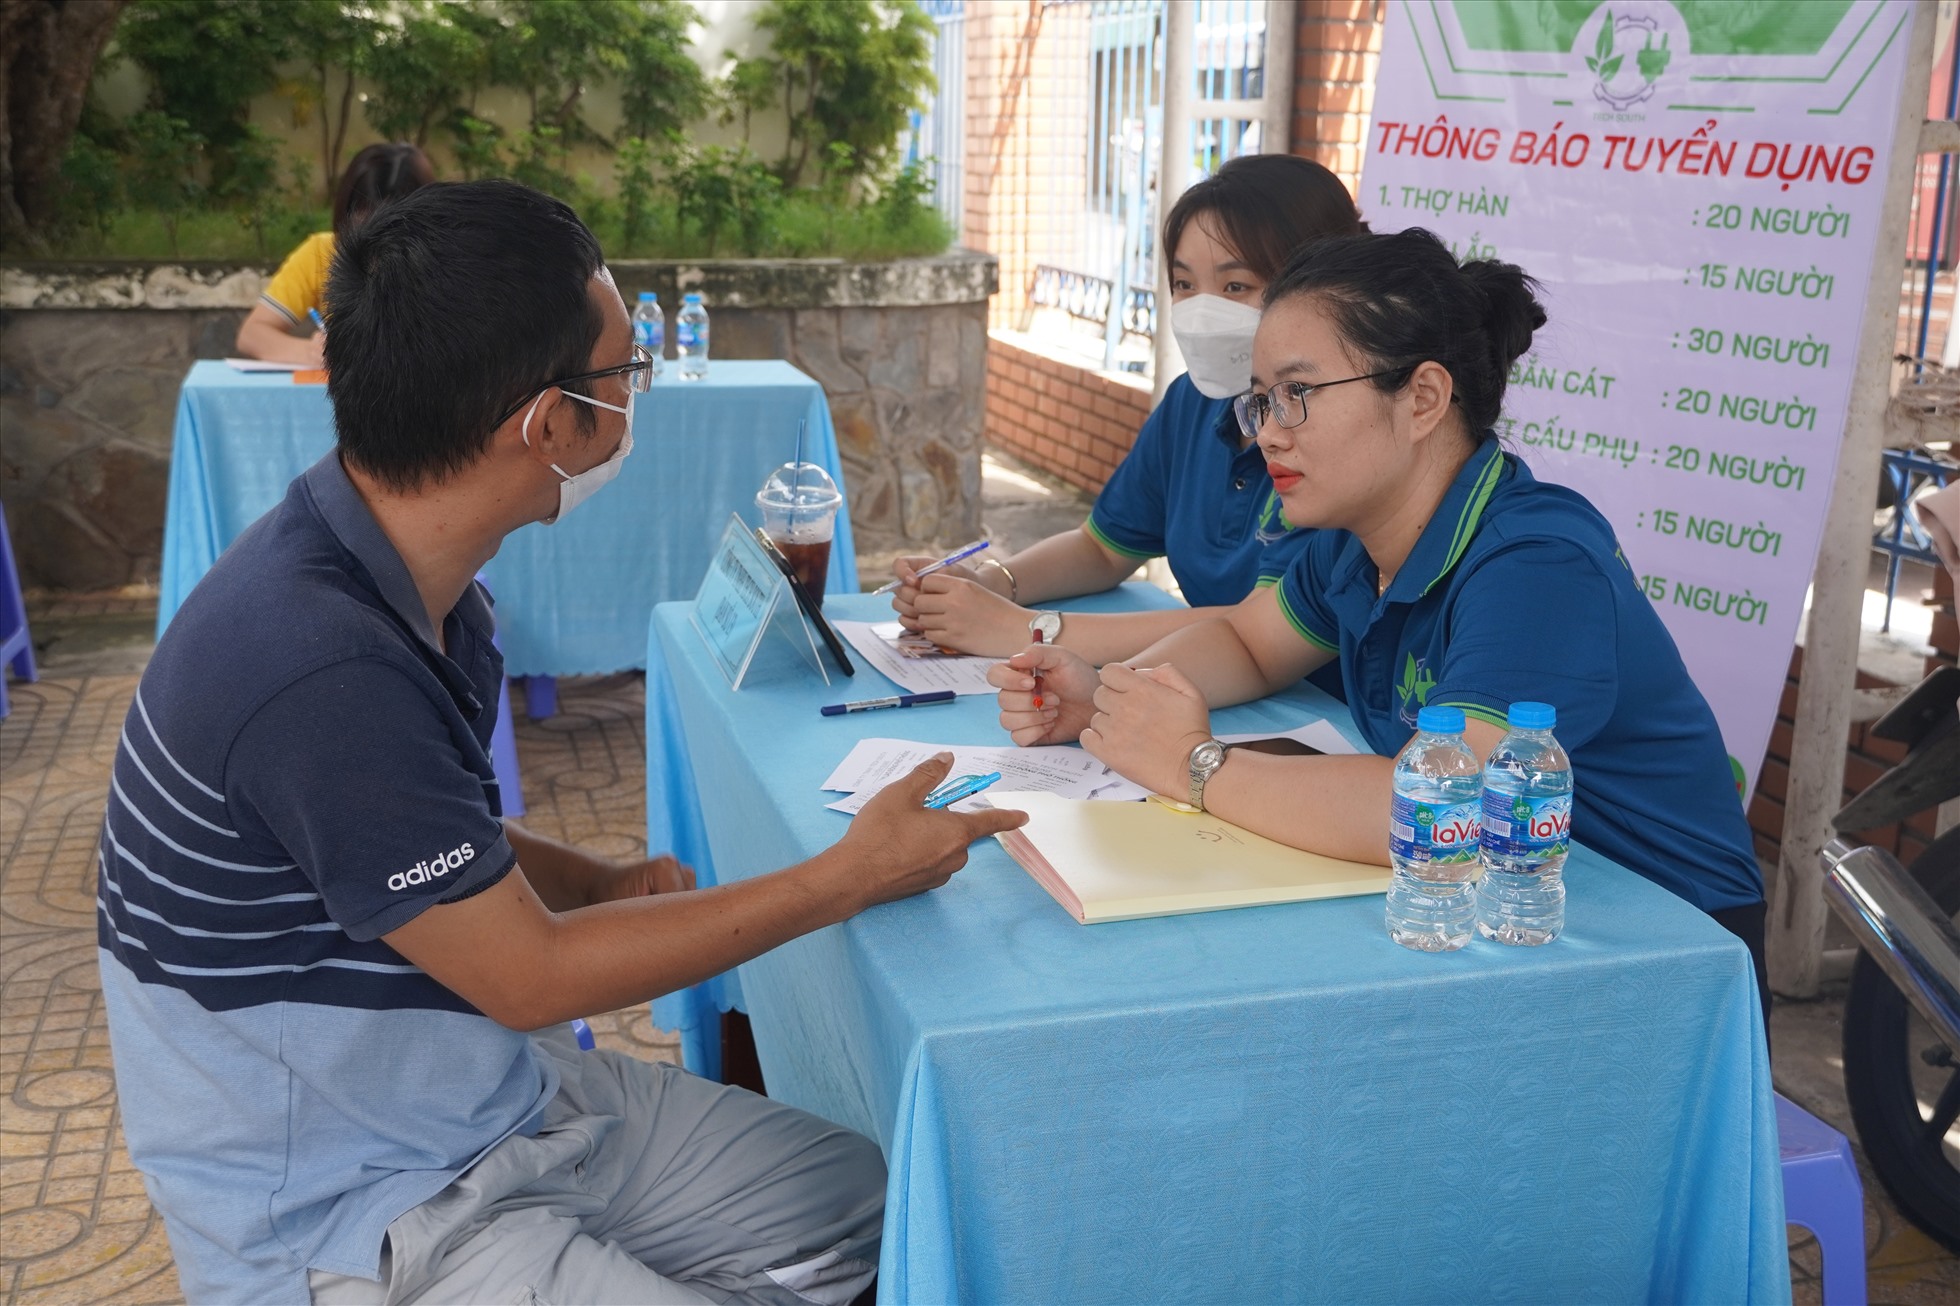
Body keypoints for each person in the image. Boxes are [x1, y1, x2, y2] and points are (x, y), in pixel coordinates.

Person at [97, 180, 1024, 1305]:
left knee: (876, 1207)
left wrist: (595, 880)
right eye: (622, 377)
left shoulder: (399, 572)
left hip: (487, 1101)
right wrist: (846, 876)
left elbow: (424, 826)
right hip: (353, 1203)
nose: (634, 401)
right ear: (545, 423)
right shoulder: (318, 666)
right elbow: (530, 976)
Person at [989, 228, 1771, 1022]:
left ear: (1424, 398)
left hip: (1658, 948)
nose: (1267, 431)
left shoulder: (1538, 566)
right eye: (1259, 400)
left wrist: (1194, 764)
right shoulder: (1355, 541)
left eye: (1298, 393)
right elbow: (1248, 643)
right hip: (1486, 916)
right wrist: (1112, 702)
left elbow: (1444, 808)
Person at [891, 154, 1366, 669]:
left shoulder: (1341, 429)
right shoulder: (1195, 401)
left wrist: (1024, 629)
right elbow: (1104, 547)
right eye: (1184, 284)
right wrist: (992, 584)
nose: (1202, 312)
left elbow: (1259, 628)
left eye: (1236, 286)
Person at [233, 142, 435, 366]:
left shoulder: (450, 265)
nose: (375, 248)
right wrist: (309, 352)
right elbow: (252, 334)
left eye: (392, 232)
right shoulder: (321, 254)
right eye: (363, 231)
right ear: (345, 216)